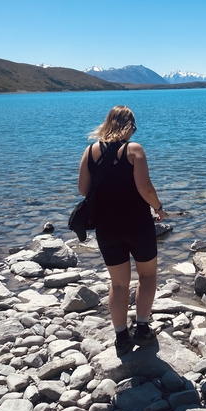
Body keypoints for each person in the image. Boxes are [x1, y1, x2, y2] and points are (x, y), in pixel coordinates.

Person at [78, 105, 166, 357]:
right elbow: (145, 188)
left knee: (118, 284)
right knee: (147, 276)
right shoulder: (134, 149)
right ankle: (142, 328)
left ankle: (121, 337)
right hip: (137, 224)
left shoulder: (90, 151)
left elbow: (83, 190)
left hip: (107, 227)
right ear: (128, 126)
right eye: (134, 127)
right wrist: (159, 207)